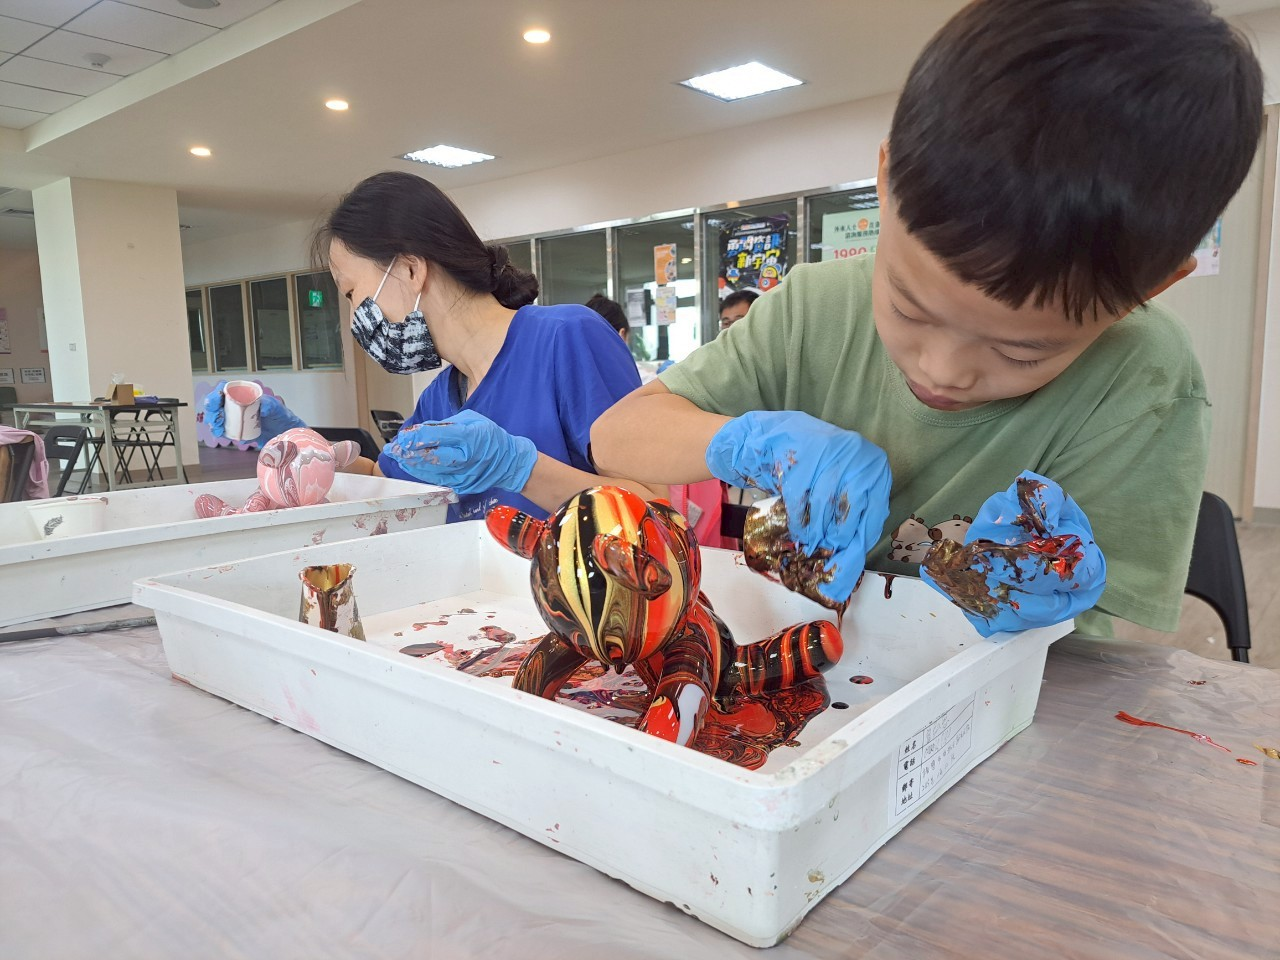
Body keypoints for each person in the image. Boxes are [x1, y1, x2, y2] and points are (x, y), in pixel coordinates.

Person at [592, 0, 1262, 637]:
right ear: (886, 183)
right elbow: (616, 437)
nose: (942, 371)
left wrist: (1039, 582)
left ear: (1149, 289)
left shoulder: (1144, 377)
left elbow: (1103, 651)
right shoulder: (813, 308)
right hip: (795, 647)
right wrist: (744, 442)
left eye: (1022, 352)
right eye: (907, 306)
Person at [205, 171, 656, 523]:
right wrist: (301, 447)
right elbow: (384, 478)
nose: (355, 317)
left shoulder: (567, 338)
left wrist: (521, 468)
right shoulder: (442, 397)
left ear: (409, 269)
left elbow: (653, 509)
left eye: (352, 293)